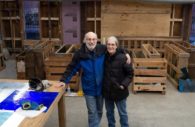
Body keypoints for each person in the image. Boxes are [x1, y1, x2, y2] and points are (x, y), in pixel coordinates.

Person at [58, 32, 130, 127]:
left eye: (93, 39)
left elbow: (114, 48)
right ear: (85, 40)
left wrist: (126, 53)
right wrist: (63, 81)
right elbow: (71, 68)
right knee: (92, 112)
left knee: (99, 111)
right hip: (89, 88)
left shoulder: (102, 49)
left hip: (101, 88)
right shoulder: (80, 55)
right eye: (89, 39)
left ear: (97, 40)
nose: (91, 42)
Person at [103, 36, 133, 127]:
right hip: (107, 92)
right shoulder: (104, 56)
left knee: (122, 113)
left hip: (120, 91)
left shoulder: (123, 58)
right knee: (109, 113)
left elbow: (130, 74)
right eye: (108, 44)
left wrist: (123, 85)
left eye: (113, 44)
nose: (110, 46)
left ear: (116, 46)